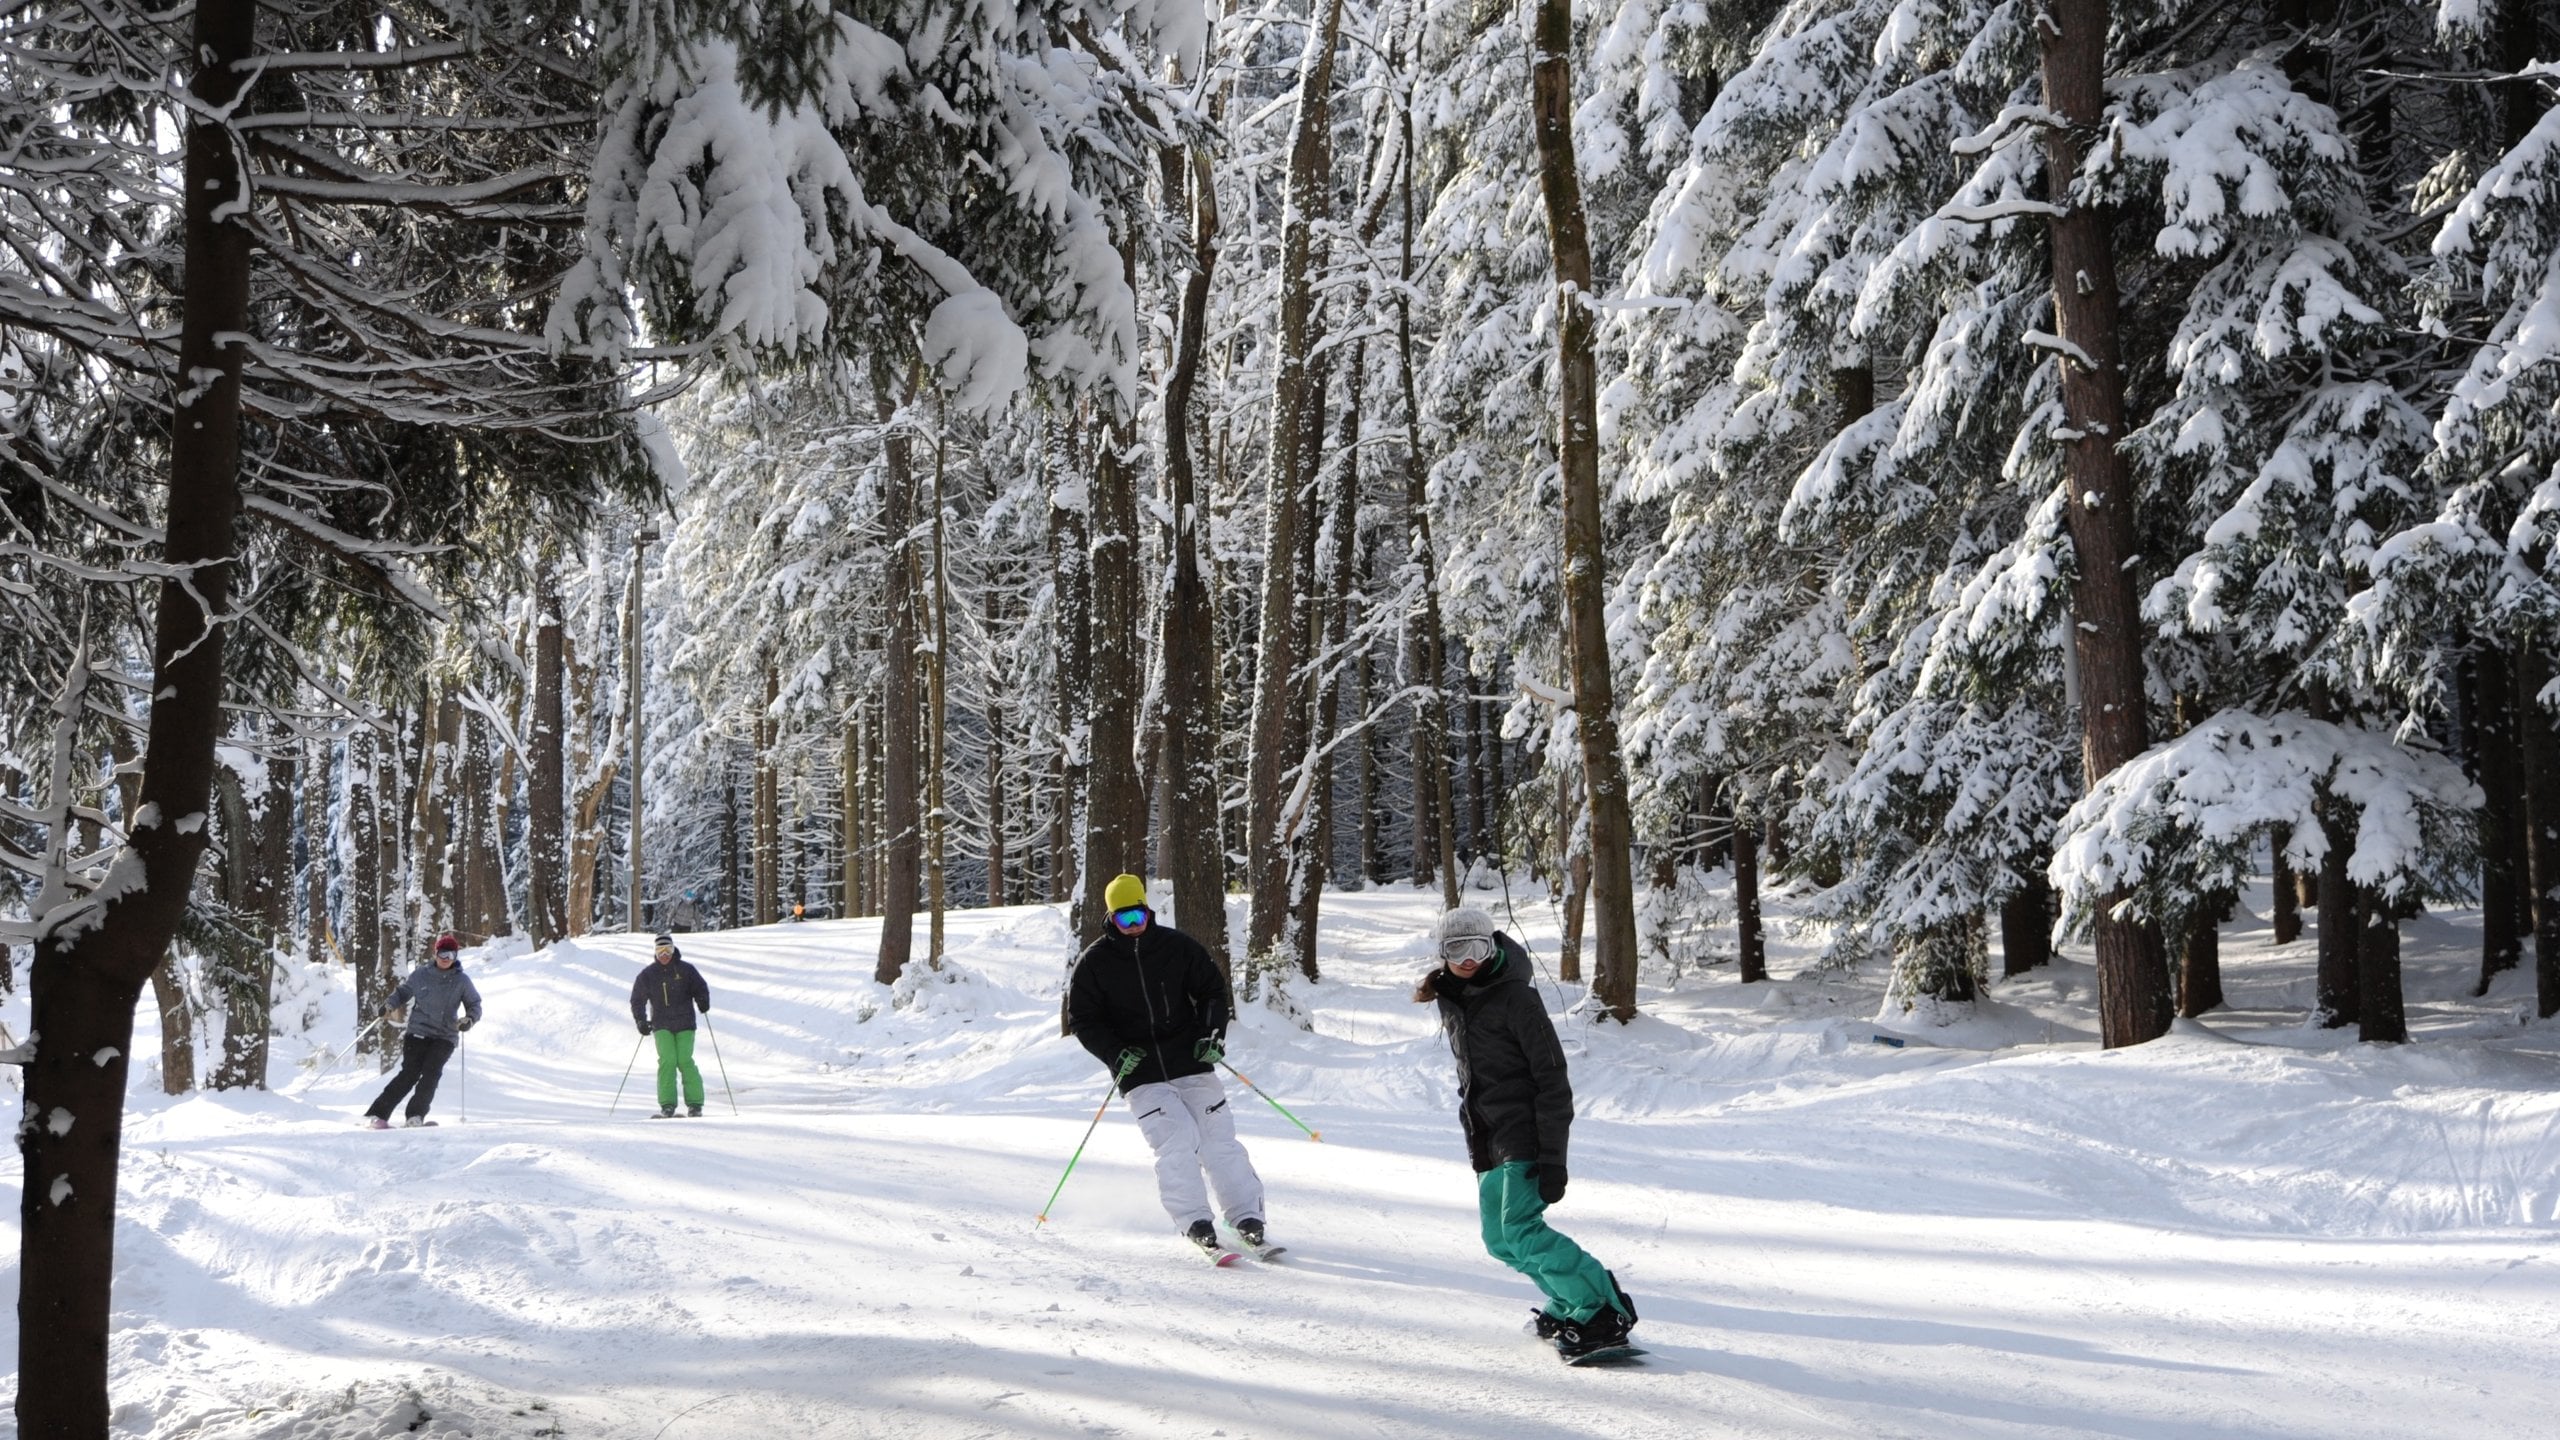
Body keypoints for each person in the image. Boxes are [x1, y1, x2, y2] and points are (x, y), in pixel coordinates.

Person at [1415, 905, 1638, 1360]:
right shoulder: (1453, 999)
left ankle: (1601, 1309)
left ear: (1493, 944)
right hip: (1487, 1136)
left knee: (1520, 1229)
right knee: (1499, 1239)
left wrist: (1552, 1156)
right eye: (1456, 949)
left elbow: (1553, 1079)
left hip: (1526, 1134)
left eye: (1477, 946)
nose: (1468, 958)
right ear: (1441, 954)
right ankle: (1571, 1301)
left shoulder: (1517, 997)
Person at [1066, 873, 1270, 1258]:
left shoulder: (1177, 948)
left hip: (1190, 1061)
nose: (1134, 926)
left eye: (1139, 916)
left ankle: (1246, 1217)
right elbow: (1083, 1019)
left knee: (1216, 1139)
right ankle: (1195, 1220)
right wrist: (1114, 1052)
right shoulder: (1095, 963)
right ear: (1111, 918)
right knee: (1176, 1139)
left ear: (1148, 910)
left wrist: (1211, 1034)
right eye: (1125, 920)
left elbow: (1212, 989)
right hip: (1139, 1071)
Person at [364, 932, 483, 1129]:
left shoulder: (462, 981)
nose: (446, 960)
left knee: (431, 1073)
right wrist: (390, 1005)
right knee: (409, 1074)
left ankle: (415, 1116)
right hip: (418, 1032)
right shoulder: (421, 975)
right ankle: (378, 1114)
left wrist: (469, 1019)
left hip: (445, 1035)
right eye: (443, 954)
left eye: (451, 956)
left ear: (456, 957)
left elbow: (474, 1004)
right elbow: (403, 992)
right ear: (435, 954)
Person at [631, 933, 712, 1117]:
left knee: (684, 1060)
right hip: (661, 1025)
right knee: (668, 1061)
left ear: (673, 949)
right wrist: (641, 1020)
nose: (664, 954)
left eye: (668, 949)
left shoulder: (686, 970)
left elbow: (700, 987)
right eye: (660, 951)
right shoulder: (648, 974)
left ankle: (695, 1104)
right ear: (655, 953)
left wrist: (702, 1000)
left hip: (685, 1023)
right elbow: (637, 999)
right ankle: (667, 1105)